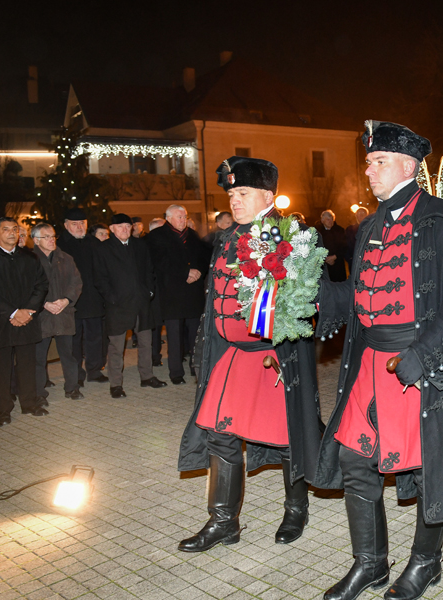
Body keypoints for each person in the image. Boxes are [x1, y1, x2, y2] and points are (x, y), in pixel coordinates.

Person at [315, 121, 443, 600]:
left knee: (430, 465)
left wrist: (423, 356)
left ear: (407, 166)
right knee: (355, 459)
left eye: (377, 161)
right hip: (371, 364)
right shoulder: (368, 226)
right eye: (368, 161)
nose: (367, 169)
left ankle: (425, 563)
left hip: (418, 363)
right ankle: (370, 564)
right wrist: (314, 293)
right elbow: (357, 298)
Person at [177, 156, 321, 553]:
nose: (234, 200)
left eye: (242, 193)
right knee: (220, 433)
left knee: (287, 437)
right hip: (230, 354)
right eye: (231, 193)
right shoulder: (226, 237)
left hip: (271, 357)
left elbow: (307, 300)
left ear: (268, 195)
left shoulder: (293, 235)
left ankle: (296, 508)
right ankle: (224, 521)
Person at [0, 217, 50, 423]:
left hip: (27, 320)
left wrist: (27, 312)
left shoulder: (30, 257)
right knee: (1, 368)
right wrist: (13, 312)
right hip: (0, 322)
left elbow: (41, 286)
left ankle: (29, 403)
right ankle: (4, 409)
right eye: (6, 229)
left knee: (27, 364)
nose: (11, 233)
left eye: (15, 229)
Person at [93, 214, 166, 398]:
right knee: (117, 346)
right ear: (112, 229)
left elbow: (149, 270)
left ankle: (147, 376)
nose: (125, 229)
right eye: (120, 226)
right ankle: (116, 384)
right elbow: (99, 278)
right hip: (117, 305)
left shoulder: (140, 245)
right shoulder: (103, 249)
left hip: (141, 302)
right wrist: (113, 297)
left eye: (128, 226)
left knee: (145, 342)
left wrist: (149, 291)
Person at [147, 204, 211, 384]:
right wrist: (186, 272)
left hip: (192, 293)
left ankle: (195, 367)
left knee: (194, 335)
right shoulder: (157, 236)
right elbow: (161, 262)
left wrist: (198, 271)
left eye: (184, 217)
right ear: (168, 218)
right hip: (172, 294)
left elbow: (203, 256)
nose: (183, 220)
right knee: (174, 336)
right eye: (179, 217)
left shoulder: (193, 236)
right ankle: (175, 373)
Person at [31, 223, 84, 401]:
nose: (52, 239)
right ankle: (39, 393)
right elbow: (27, 287)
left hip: (63, 313)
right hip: (41, 315)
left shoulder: (66, 258)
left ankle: (72, 387)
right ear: (36, 240)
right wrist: (44, 304)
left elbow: (76, 282)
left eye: (53, 236)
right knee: (38, 357)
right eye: (46, 236)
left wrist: (66, 300)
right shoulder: (29, 259)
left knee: (68, 355)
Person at [58, 208, 109, 387]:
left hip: (94, 298)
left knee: (95, 337)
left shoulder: (94, 242)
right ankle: (76, 374)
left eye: (82, 223)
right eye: (75, 224)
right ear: (66, 225)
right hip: (71, 301)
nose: (79, 227)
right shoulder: (60, 245)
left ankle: (94, 370)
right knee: (74, 340)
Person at [318, 209, 349, 281]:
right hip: (324, 265)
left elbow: (344, 246)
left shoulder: (339, 230)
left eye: (332, 219)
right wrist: (325, 259)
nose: (330, 221)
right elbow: (317, 247)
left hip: (338, 264)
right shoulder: (318, 232)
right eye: (328, 219)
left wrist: (335, 256)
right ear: (322, 221)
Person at [345, 206, 369, 272]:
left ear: (367, 215)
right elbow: (346, 245)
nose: (361, 216)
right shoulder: (350, 229)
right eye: (359, 214)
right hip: (354, 262)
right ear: (356, 216)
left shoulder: (372, 229)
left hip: (368, 262)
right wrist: (349, 258)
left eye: (363, 214)